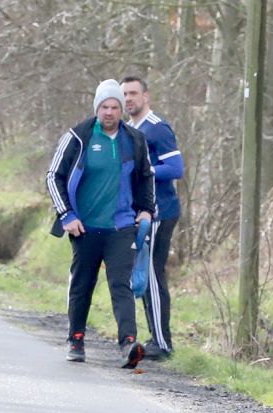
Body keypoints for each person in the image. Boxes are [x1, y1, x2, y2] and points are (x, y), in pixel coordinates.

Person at [46, 79, 154, 368]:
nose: (109, 112)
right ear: (97, 108)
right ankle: (76, 338)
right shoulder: (78, 137)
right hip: (85, 227)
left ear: (121, 110)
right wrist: (67, 215)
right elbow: (53, 176)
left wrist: (146, 210)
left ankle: (128, 344)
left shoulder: (134, 139)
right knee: (82, 284)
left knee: (122, 284)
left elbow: (145, 176)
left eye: (115, 107)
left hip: (121, 226)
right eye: (104, 107)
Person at [121, 76, 184, 360]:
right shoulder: (128, 129)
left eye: (133, 93)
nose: (128, 99)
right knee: (144, 275)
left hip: (161, 212)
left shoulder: (157, 128)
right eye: (124, 94)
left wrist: (144, 170)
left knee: (153, 274)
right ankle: (155, 335)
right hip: (141, 214)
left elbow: (176, 167)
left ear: (146, 96)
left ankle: (163, 342)